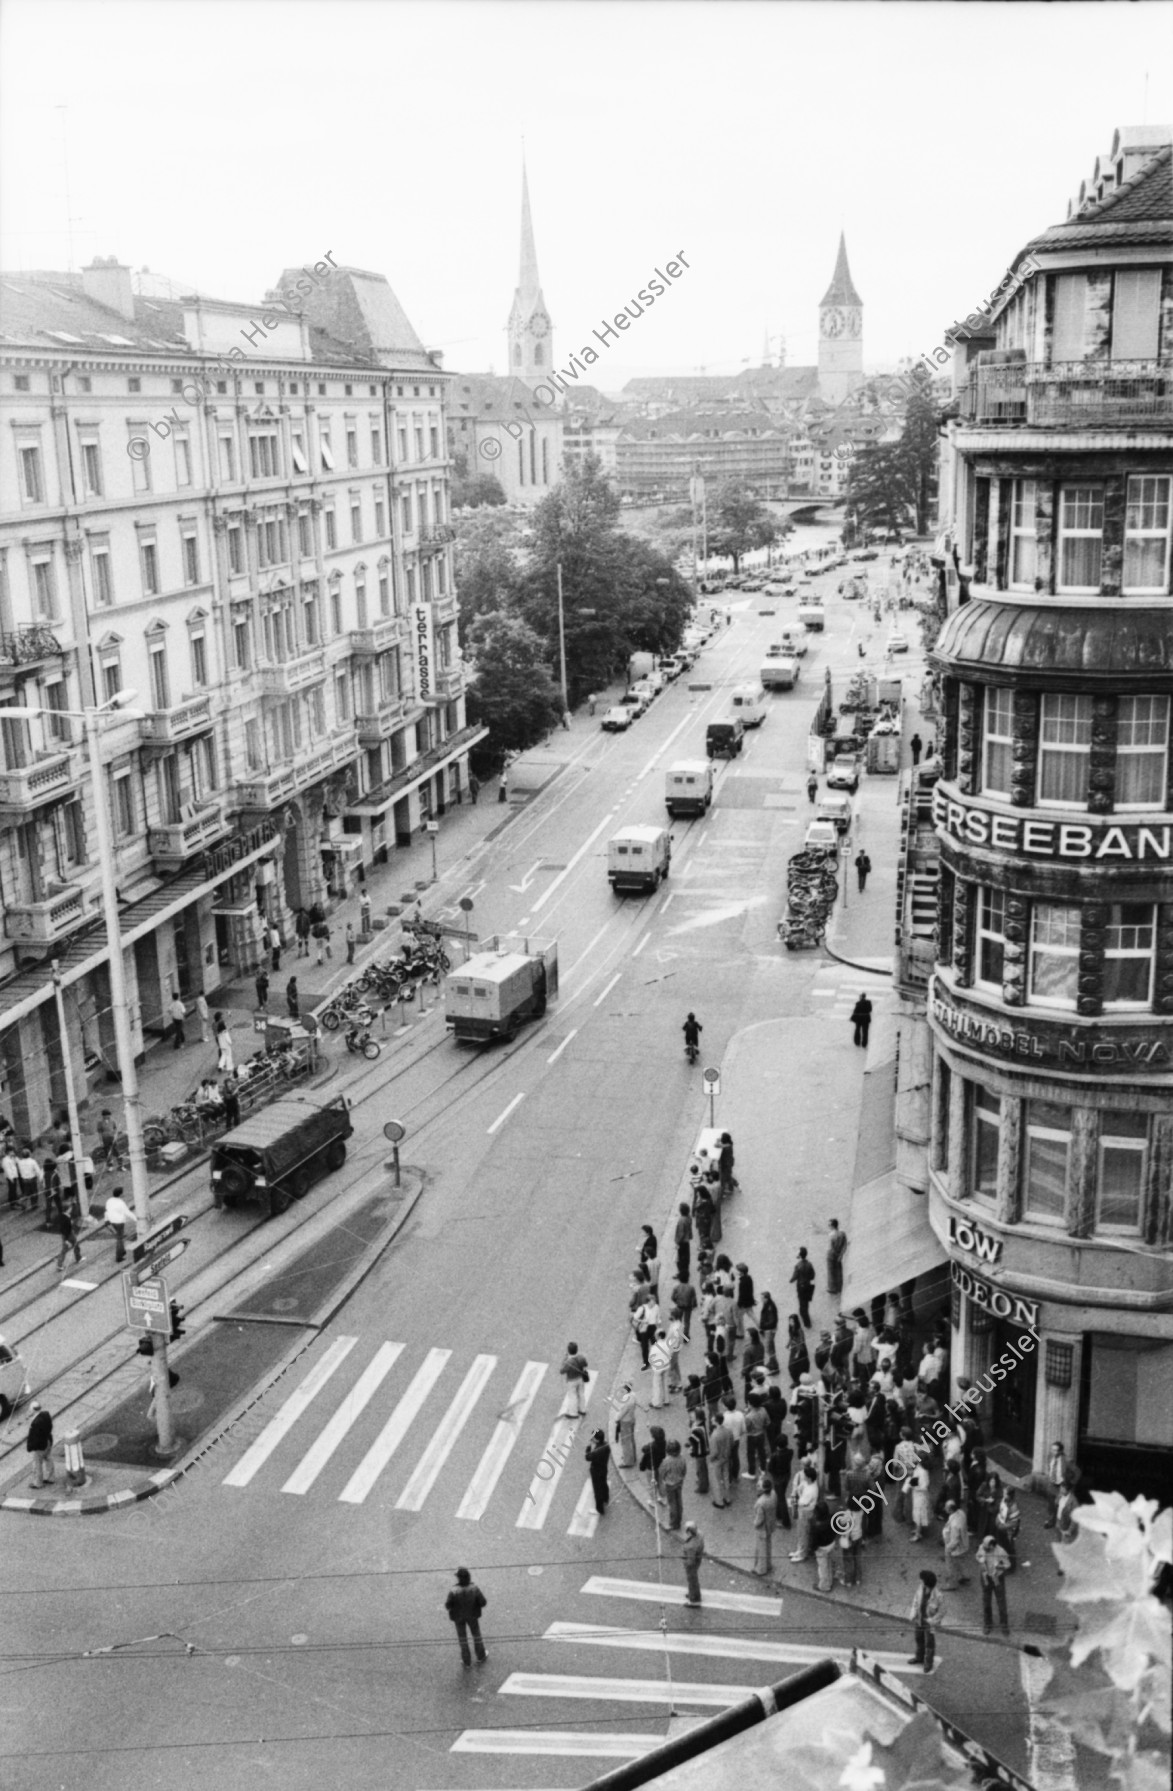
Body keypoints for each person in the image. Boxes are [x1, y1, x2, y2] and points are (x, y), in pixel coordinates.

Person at [445, 1567, 487, 1666]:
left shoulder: (454, 1590)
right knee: (476, 1635)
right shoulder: (474, 1588)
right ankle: (480, 1656)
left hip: (458, 1618)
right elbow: (483, 1602)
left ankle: (466, 1661)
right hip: (472, 1615)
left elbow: (448, 1605)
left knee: (462, 1638)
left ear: (459, 1578)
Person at [976, 1533, 1012, 1636]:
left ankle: (1004, 1625)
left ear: (992, 1545)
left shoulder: (1000, 1552)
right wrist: (980, 1560)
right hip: (985, 1577)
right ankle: (987, 1624)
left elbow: (1008, 1564)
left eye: (987, 1548)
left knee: (1001, 1603)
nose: (984, 1549)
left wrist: (998, 1568)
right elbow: (977, 1556)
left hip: (997, 1578)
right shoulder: (982, 1547)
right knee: (986, 1602)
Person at [908, 1570, 943, 1674]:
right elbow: (915, 1601)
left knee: (929, 1643)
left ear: (927, 1583)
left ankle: (928, 1663)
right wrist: (913, 1613)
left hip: (929, 1623)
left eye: (922, 1580)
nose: (920, 1582)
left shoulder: (938, 1596)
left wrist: (933, 1620)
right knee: (918, 1638)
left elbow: (942, 1611)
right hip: (919, 1619)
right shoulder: (920, 1588)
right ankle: (919, 1657)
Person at [940, 1499, 970, 1590]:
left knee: (950, 1565)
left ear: (950, 1510)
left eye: (946, 1507)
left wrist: (948, 1549)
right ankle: (961, 1576)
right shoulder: (961, 1512)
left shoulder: (955, 1524)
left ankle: (952, 1584)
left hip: (955, 1547)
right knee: (959, 1562)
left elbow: (955, 1540)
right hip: (964, 1544)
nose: (944, 1508)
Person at [752, 1473, 778, 1576]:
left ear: (763, 1490)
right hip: (770, 1524)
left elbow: (759, 1520)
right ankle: (768, 1564)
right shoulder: (773, 1494)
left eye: (759, 1486)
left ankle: (761, 1569)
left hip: (762, 1529)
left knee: (761, 1548)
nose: (757, 1487)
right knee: (768, 1545)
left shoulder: (760, 1503)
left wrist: (754, 1523)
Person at [660, 1437, 687, 1530]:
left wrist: (664, 1479)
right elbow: (684, 1470)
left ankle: (673, 1523)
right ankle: (679, 1519)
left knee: (672, 1504)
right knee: (679, 1501)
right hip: (679, 1482)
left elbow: (662, 1472)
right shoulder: (682, 1458)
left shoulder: (667, 1461)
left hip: (670, 1484)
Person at [26, 1402, 55, 1488]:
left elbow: (35, 1437)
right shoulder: (46, 1414)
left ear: (33, 1410)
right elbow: (50, 1427)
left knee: (37, 1464)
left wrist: (30, 1447)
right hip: (48, 1441)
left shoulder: (36, 1422)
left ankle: (38, 1483)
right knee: (48, 1458)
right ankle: (51, 1477)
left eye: (30, 1409)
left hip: (40, 1445)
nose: (29, 1410)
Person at [558, 1342, 589, 1419]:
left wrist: (564, 1359)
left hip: (571, 1380)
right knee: (581, 1394)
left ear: (568, 1350)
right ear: (576, 1349)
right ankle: (582, 1410)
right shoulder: (581, 1357)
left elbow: (561, 1371)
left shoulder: (568, 1362)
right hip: (580, 1379)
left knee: (572, 1396)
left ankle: (573, 1413)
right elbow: (585, 1364)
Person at [101, 1186, 133, 1262]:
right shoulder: (120, 1203)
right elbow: (127, 1212)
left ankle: (122, 1250)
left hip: (112, 1221)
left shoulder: (110, 1201)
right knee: (120, 1238)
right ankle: (119, 1256)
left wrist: (106, 1220)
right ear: (120, 1194)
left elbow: (107, 1211)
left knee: (120, 1236)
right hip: (119, 1222)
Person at [585, 1428, 611, 1517]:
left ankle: (599, 1509)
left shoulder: (596, 1451)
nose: (591, 1439)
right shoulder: (606, 1445)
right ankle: (606, 1498)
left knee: (597, 1490)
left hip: (596, 1471)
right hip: (604, 1469)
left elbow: (588, 1457)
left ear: (597, 1439)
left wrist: (588, 1448)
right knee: (604, 1484)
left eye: (593, 1438)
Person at [1042, 1441, 1069, 1527]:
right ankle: (1051, 1521)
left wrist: (1067, 1483)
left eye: (1055, 1450)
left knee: (1061, 1505)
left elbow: (1073, 1473)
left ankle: (1062, 1522)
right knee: (1051, 1504)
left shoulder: (1066, 1460)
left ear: (1061, 1451)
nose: (1053, 1452)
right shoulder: (1050, 1456)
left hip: (1061, 1485)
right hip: (1052, 1483)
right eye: (1052, 1450)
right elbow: (1049, 1467)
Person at [709, 1410, 732, 1508]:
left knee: (717, 1480)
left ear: (716, 1421)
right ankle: (727, 1498)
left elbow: (714, 1452)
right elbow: (732, 1443)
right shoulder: (727, 1431)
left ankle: (719, 1501)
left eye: (713, 1419)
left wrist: (711, 1459)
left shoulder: (714, 1435)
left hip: (717, 1460)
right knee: (726, 1478)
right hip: (726, 1457)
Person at [613, 1383, 638, 1468]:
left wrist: (616, 1419)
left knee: (626, 1442)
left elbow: (621, 1413)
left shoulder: (626, 1400)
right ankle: (633, 1456)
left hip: (625, 1421)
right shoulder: (633, 1395)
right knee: (631, 1439)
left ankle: (628, 1461)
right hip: (632, 1419)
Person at [790, 1249, 815, 1328]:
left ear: (800, 1255)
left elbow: (794, 1277)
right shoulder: (809, 1264)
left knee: (802, 1302)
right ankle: (803, 1314)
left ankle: (807, 1322)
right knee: (806, 1303)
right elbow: (812, 1276)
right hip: (807, 1285)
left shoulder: (798, 1266)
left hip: (800, 1287)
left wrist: (790, 1280)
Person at [687, 1407, 710, 1496]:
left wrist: (691, 1450)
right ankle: (702, 1481)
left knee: (701, 1469)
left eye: (693, 1415)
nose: (691, 1416)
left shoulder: (697, 1429)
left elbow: (693, 1440)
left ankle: (703, 1487)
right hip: (702, 1451)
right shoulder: (701, 1424)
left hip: (699, 1453)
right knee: (701, 1469)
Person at [682, 1520, 705, 1605]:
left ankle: (694, 1600)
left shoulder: (690, 1546)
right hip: (698, 1558)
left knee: (692, 1580)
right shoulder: (700, 1534)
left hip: (692, 1562)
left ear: (689, 1531)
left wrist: (686, 1563)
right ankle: (693, 1593)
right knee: (694, 1580)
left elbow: (690, 1561)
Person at [54, 1204, 82, 1272]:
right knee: (66, 1249)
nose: (71, 1209)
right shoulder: (66, 1218)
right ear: (67, 1210)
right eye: (70, 1208)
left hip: (68, 1234)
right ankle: (59, 1265)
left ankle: (78, 1257)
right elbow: (64, 1229)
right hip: (68, 1235)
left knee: (75, 1245)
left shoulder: (63, 1216)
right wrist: (66, 1240)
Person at [759, 1290, 779, 1373]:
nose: (761, 1300)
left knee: (768, 1348)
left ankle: (774, 1366)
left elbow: (772, 1321)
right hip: (768, 1330)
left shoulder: (770, 1307)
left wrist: (763, 1326)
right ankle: (772, 1362)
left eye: (762, 1298)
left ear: (766, 1298)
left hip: (769, 1330)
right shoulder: (767, 1304)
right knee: (771, 1347)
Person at [787, 1313, 810, 1385]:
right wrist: (788, 1344)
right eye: (790, 1321)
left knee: (797, 1365)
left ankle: (799, 1380)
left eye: (792, 1321)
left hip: (800, 1350)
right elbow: (791, 1337)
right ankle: (796, 1380)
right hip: (794, 1348)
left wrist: (798, 1353)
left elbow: (801, 1342)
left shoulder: (799, 1330)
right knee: (792, 1366)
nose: (790, 1323)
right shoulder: (791, 1328)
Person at [826, 1219, 847, 1297]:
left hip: (831, 1255)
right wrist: (841, 1255)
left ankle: (832, 1288)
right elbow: (845, 1245)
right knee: (838, 1271)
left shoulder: (831, 1235)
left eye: (829, 1225)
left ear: (832, 1226)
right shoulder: (842, 1233)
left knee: (831, 1272)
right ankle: (839, 1287)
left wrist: (835, 1254)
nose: (828, 1226)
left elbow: (831, 1247)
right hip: (839, 1255)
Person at [674, 1203, 693, 1283]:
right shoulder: (688, 1217)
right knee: (685, 1259)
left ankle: (682, 1274)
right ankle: (684, 1272)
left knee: (680, 1260)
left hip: (682, 1243)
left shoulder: (682, 1220)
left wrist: (677, 1242)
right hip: (686, 1241)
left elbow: (681, 1233)